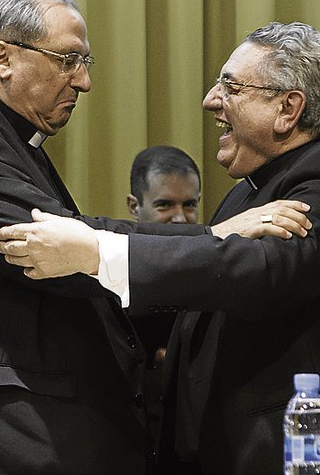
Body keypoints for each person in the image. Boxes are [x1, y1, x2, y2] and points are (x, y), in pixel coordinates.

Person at [0, 0, 311, 475]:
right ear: (3, 57)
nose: (83, 82)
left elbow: (79, 244)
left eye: (85, 62)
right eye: (68, 60)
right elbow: (62, 249)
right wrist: (216, 236)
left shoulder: (9, 138)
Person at [0, 22, 320, 474]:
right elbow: (197, 287)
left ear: (288, 109)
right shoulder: (246, 194)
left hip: (307, 456)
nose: (211, 99)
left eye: (231, 86)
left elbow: (259, 273)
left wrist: (97, 253)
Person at [125, 146, 202, 452]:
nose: (181, 219)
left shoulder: (213, 271)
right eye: (165, 205)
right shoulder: (110, 272)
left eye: (190, 204)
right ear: (134, 207)